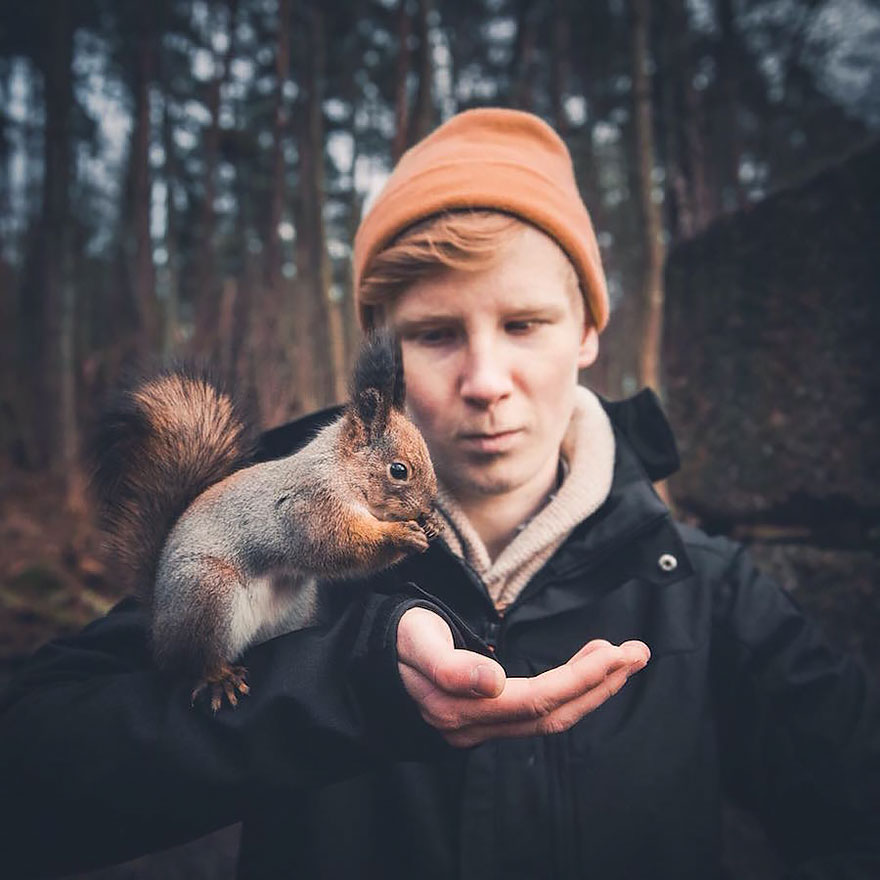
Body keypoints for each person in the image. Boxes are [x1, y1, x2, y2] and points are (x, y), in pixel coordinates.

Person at [2, 107, 879, 879]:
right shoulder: (268, 521)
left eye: (524, 323)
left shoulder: (704, 588)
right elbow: (31, 765)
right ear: (383, 368)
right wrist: (341, 687)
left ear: (587, 331)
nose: (486, 381)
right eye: (435, 334)